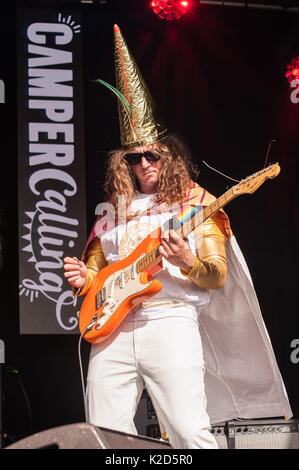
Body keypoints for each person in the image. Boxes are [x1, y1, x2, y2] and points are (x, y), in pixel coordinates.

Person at [64, 25, 292, 449]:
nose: (144, 162)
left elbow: (216, 275)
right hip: (111, 330)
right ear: (124, 163)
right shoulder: (115, 209)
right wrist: (85, 273)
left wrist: (188, 261)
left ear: (168, 154)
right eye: (134, 157)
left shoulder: (196, 202)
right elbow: (99, 256)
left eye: (152, 153)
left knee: (189, 432)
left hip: (169, 320)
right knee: (105, 436)